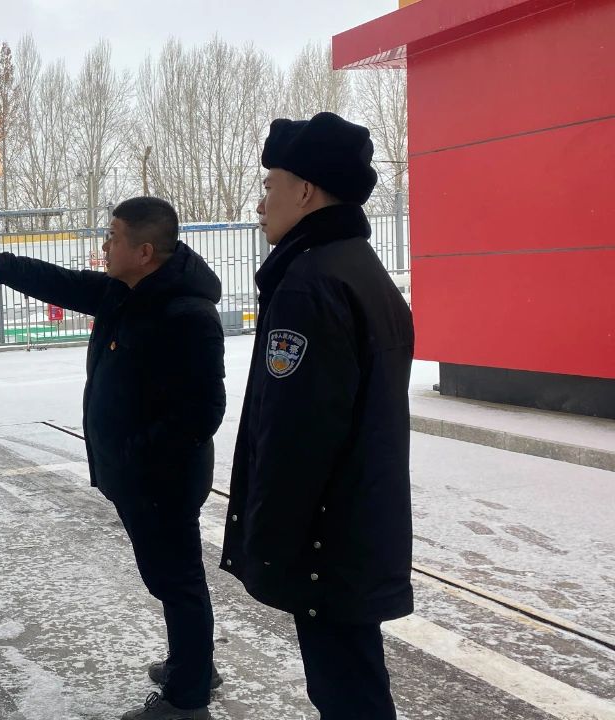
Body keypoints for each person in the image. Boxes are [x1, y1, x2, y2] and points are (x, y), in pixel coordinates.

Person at [0, 197, 226, 720]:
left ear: (144, 252)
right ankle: (193, 664)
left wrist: (133, 456)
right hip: (138, 475)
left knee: (177, 581)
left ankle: (188, 699)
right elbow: (64, 283)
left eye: (113, 237)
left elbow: (201, 411)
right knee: (170, 578)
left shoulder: (185, 314)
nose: (104, 246)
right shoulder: (127, 291)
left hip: (161, 479)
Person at [219, 112, 415, 718]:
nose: (260, 204)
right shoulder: (360, 269)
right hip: (359, 520)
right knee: (355, 677)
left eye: (269, 186)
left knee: (345, 690)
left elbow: (296, 434)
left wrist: (268, 541)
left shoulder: (309, 284)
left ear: (305, 190)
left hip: (327, 533)